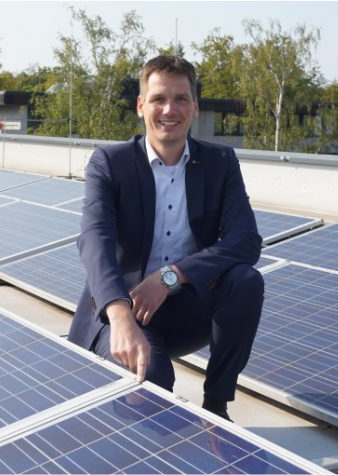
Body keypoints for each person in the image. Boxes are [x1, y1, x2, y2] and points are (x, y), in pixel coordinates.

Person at [68, 55, 264, 421]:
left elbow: (246, 241)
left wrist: (171, 276)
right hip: (126, 311)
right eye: (158, 99)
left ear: (194, 107)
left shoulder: (220, 161)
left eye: (180, 99)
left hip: (185, 307)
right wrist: (120, 316)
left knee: (246, 281)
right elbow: (94, 240)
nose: (169, 110)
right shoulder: (110, 163)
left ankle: (217, 405)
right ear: (141, 105)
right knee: (152, 392)